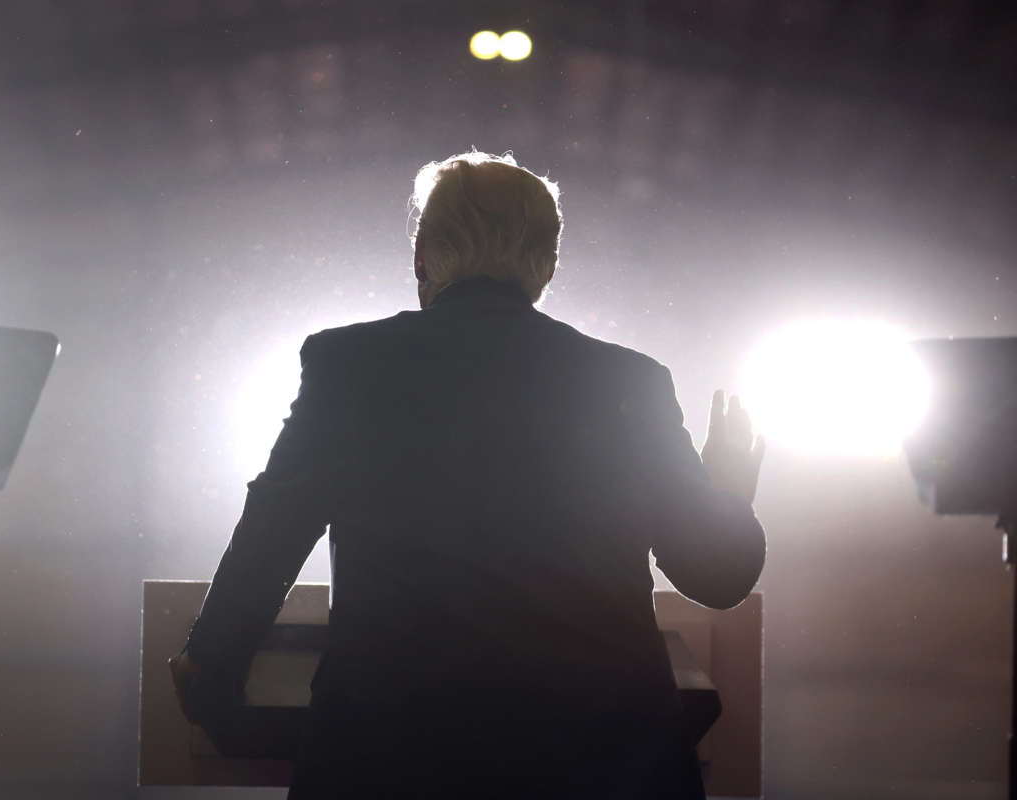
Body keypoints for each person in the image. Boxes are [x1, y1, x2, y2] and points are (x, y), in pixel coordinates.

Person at [169, 151, 767, 798]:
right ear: (548, 264)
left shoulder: (352, 364)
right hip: (603, 760)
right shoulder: (629, 382)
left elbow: (274, 529)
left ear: (421, 254)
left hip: (393, 755)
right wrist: (728, 489)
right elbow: (717, 577)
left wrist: (212, 666)